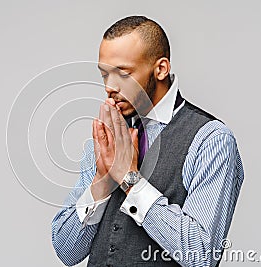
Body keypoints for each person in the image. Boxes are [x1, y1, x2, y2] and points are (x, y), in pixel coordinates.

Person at [51, 15, 244, 267]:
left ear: (161, 69)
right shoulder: (106, 139)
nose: (110, 87)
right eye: (104, 75)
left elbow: (201, 256)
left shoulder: (211, 140)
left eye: (123, 73)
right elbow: (67, 251)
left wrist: (131, 181)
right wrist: (102, 181)